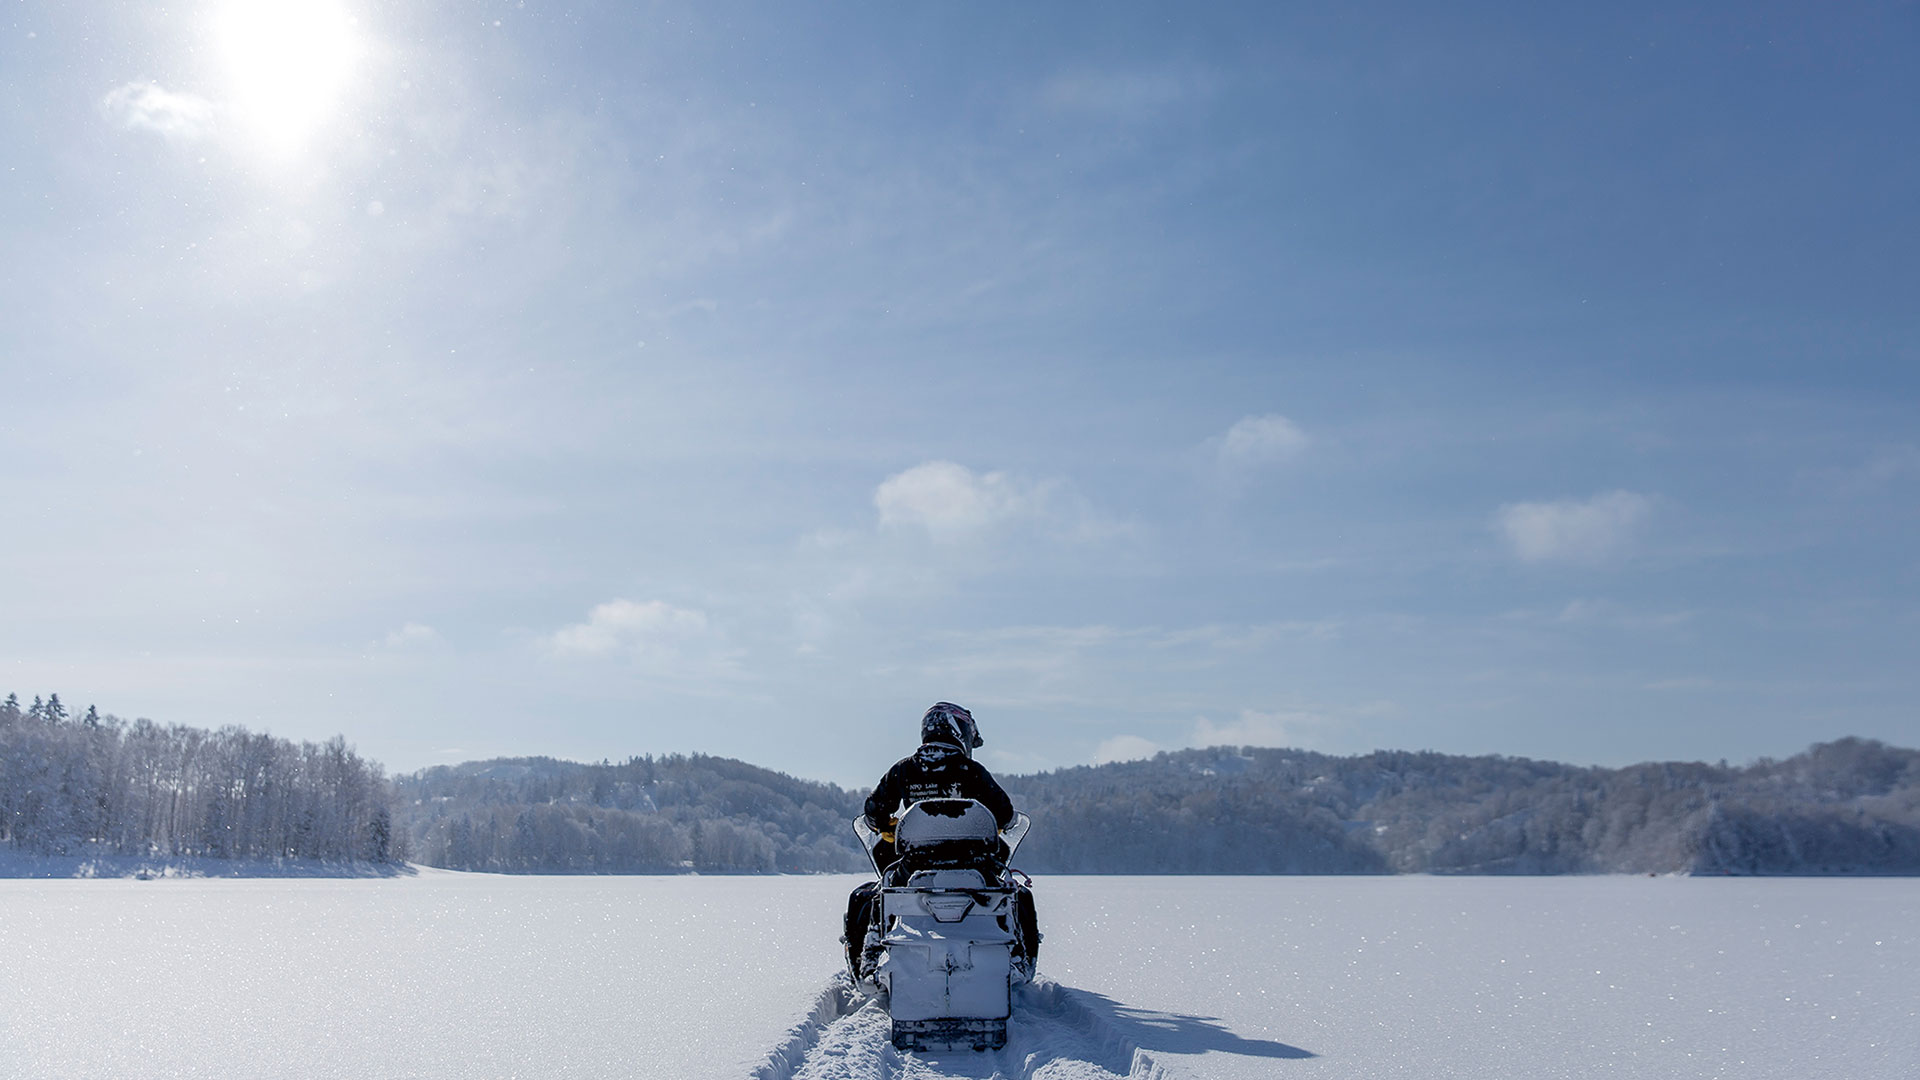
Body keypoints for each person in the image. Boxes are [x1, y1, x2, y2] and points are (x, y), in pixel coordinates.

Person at [843, 702, 1038, 978]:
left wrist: (890, 826)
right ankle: (1016, 954)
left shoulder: (904, 770)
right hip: (975, 869)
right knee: (1013, 895)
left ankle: (872, 950)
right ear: (960, 731)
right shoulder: (972, 770)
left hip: (914, 869)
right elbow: (1006, 816)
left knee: (882, 892)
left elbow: (873, 812)